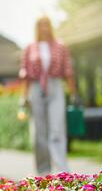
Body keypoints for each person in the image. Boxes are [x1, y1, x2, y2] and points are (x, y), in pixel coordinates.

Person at [19, 16, 76, 176]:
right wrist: (23, 97)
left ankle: (62, 171)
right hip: (36, 88)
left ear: (51, 27)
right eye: (40, 25)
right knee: (39, 132)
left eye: (46, 25)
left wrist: (73, 94)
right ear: (36, 28)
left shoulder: (61, 46)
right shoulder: (29, 48)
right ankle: (43, 171)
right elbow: (24, 74)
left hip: (55, 86)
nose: (44, 28)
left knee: (57, 130)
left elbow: (68, 71)